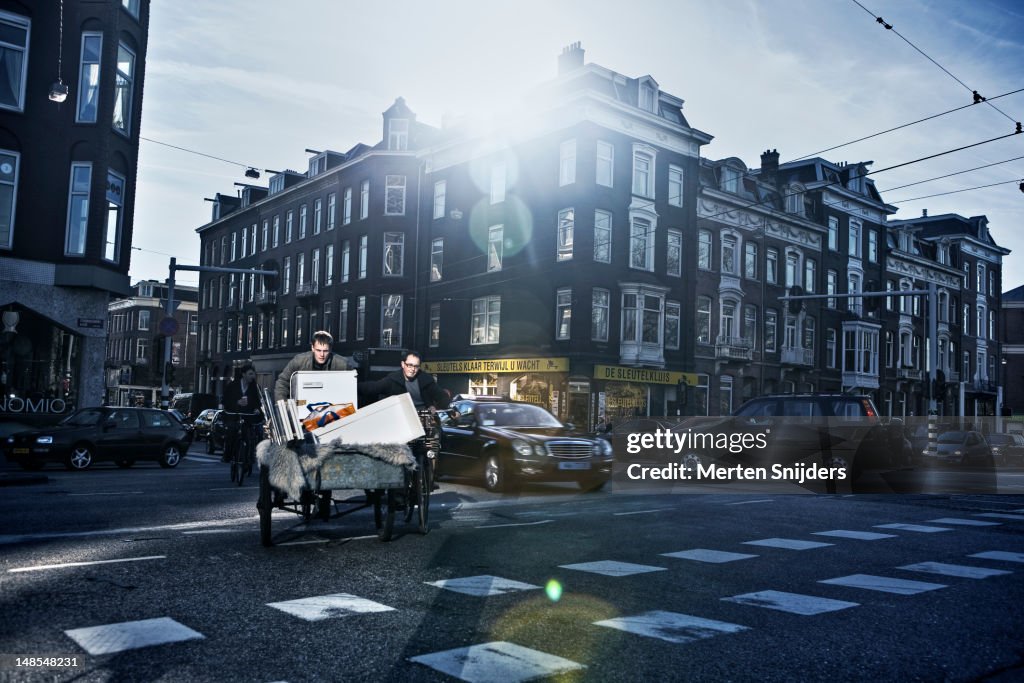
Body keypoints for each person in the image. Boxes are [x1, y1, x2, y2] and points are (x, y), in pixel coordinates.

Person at [357, 350, 449, 411]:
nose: (412, 369)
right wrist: (351, 386)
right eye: (409, 365)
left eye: (416, 366)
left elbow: (443, 397)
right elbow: (373, 387)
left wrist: (435, 407)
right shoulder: (393, 379)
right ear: (403, 364)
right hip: (401, 419)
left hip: (423, 420)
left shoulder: (426, 380)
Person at [273, 330, 349, 401]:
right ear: (312, 348)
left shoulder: (343, 364)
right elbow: (282, 382)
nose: (322, 354)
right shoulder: (299, 361)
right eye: (318, 350)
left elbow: (354, 386)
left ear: (330, 349)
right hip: (303, 403)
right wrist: (283, 404)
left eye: (325, 351)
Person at [221, 364, 261, 464]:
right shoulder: (232, 385)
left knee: (251, 435)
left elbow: (258, 401)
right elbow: (225, 400)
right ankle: (228, 455)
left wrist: (257, 409)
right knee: (231, 433)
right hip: (234, 415)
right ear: (243, 374)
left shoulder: (255, 387)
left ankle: (250, 456)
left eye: (254, 374)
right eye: (250, 374)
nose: (253, 376)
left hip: (248, 416)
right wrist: (237, 402)